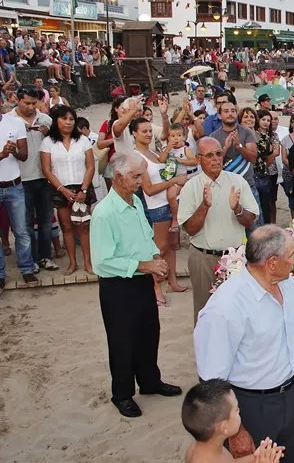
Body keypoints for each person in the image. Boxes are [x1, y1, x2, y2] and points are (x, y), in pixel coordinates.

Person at [194, 225, 294, 463]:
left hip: (292, 397)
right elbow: (212, 381)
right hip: (250, 408)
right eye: (291, 255)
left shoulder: (287, 285)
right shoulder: (226, 308)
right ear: (271, 262)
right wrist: (236, 432)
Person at [90, 151, 182, 417]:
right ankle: (122, 394)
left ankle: (150, 382)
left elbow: (144, 235)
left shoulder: (136, 202)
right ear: (118, 177)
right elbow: (102, 262)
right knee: (122, 341)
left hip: (141, 280)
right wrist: (145, 266)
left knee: (148, 332)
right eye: (136, 176)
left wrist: (155, 258)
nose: (142, 180)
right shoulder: (104, 213)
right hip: (118, 287)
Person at [178, 137, 259, 324]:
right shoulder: (191, 187)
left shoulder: (237, 182)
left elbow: (250, 221)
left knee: (239, 310)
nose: (215, 159)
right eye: (209, 155)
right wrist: (204, 206)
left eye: (218, 154)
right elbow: (190, 229)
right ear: (199, 159)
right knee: (206, 311)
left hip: (235, 259)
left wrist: (237, 208)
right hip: (203, 259)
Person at [132, 118, 188, 306]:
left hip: (169, 203)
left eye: (149, 130)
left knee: (171, 246)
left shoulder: (153, 151)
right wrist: (174, 182)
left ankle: (172, 282)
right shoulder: (137, 157)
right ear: (134, 134)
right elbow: (148, 189)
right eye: (144, 131)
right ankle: (155, 287)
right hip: (156, 207)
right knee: (160, 249)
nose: (148, 134)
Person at [39, 105, 96, 276]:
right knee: (67, 227)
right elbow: (47, 170)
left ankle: (87, 262)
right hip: (60, 188)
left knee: (84, 226)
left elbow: (91, 166)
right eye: (64, 118)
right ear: (56, 120)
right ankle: (72, 263)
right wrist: (62, 190)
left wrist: (83, 190)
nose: (68, 122)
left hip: (82, 187)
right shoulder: (48, 142)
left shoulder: (83, 140)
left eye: (71, 119)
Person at [182, 379, 285, 463]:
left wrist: (255, 457)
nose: (239, 411)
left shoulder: (208, 447)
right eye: (236, 410)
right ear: (224, 427)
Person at [11, 86, 56, 271]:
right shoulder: (9, 121)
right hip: (21, 178)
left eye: (33, 103)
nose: (30, 107)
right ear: (17, 100)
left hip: (44, 176)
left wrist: (48, 133)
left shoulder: (46, 119)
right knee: (25, 223)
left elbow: (57, 144)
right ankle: (31, 259)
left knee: (46, 220)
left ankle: (45, 257)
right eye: (26, 103)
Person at [0, 99, 39, 289]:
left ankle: (27, 269)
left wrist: (14, 150)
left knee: (21, 231)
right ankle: (0, 273)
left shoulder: (14, 123)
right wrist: (1, 155)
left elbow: (24, 155)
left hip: (14, 185)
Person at [209, 102, 261, 229]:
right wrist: (225, 148)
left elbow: (253, 158)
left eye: (233, 110)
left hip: (248, 186)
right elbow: (212, 164)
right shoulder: (214, 137)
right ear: (220, 115)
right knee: (229, 226)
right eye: (226, 111)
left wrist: (238, 147)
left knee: (253, 225)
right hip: (225, 188)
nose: (230, 113)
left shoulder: (247, 132)